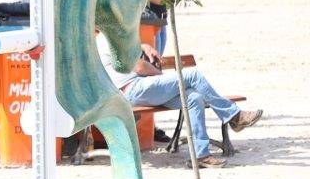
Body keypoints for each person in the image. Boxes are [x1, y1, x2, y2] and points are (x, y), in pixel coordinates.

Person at [97, 34, 261, 167]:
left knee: (194, 98)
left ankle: (201, 155)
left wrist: (144, 46)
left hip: (141, 90)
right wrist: (161, 76)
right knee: (193, 75)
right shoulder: (109, 39)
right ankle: (233, 116)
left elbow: (130, 56)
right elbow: (140, 67)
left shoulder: (111, 38)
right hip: (134, 89)